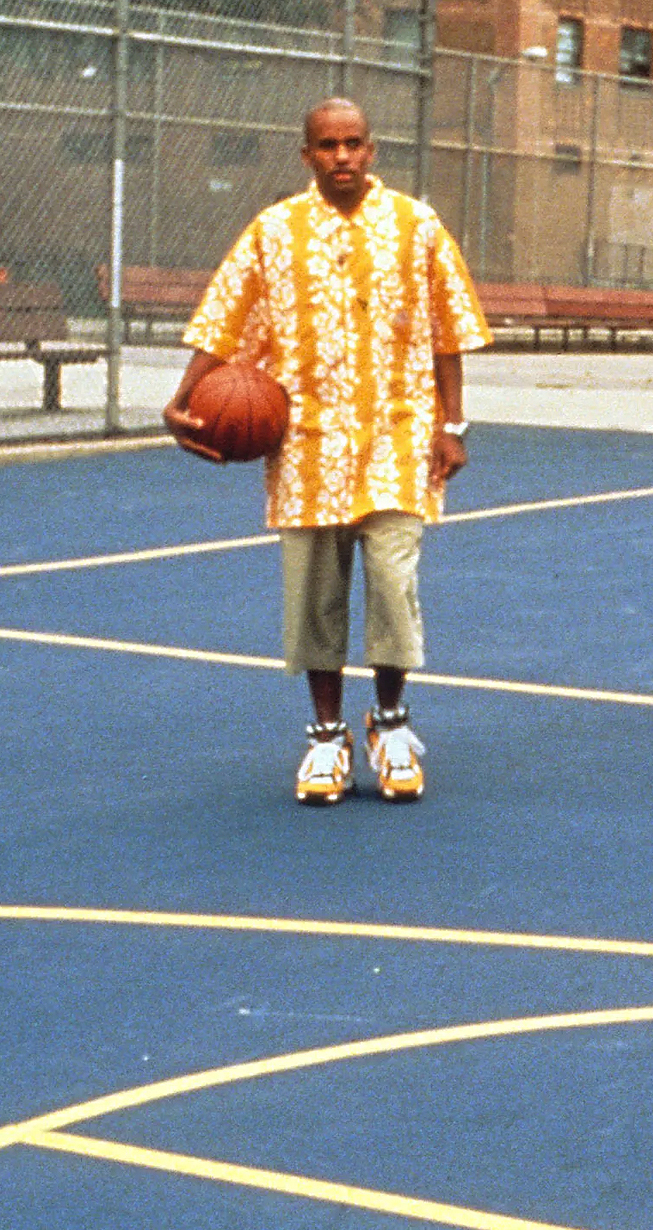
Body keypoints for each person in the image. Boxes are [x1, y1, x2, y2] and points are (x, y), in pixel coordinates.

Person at [163, 98, 490, 806]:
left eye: (353, 143)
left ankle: (392, 722)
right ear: (305, 154)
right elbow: (225, 318)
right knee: (314, 595)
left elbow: (448, 330)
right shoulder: (273, 233)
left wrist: (454, 426)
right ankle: (326, 735)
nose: (342, 155)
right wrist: (183, 397)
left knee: (394, 585)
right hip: (307, 439)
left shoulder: (416, 225)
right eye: (327, 145)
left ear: (373, 151)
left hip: (399, 432)